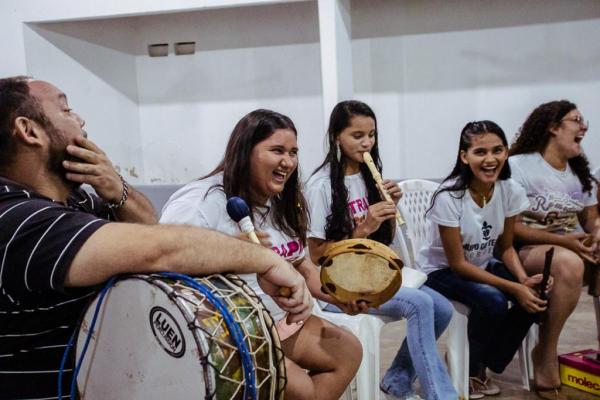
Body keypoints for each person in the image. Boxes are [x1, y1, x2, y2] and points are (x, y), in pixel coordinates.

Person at [0, 76, 312, 400]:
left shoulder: (78, 201)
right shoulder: (17, 219)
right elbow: (159, 248)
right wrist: (266, 259)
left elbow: (150, 226)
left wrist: (116, 188)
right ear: (29, 130)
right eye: (66, 109)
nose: (80, 120)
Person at [160, 109, 362, 400]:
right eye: (277, 150)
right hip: (228, 331)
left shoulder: (279, 202)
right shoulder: (201, 201)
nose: (288, 161)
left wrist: (341, 296)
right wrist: (230, 250)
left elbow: (301, 265)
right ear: (245, 152)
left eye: (293, 152)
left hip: (278, 322)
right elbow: (164, 273)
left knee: (349, 351)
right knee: (303, 391)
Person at [305, 100, 456, 400]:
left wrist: (391, 208)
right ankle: (442, 395)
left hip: (370, 273)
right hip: (338, 284)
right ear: (337, 136)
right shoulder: (320, 186)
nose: (366, 143)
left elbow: (382, 241)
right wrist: (362, 230)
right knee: (420, 305)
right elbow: (316, 255)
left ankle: (397, 380)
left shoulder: (368, 176)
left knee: (442, 308)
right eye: (357, 135)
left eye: (371, 135)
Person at [420, 120, 550, 399]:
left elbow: (505, 248)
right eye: (480, 152)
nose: (490, 159)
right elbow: (458, 264)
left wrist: (524, 279)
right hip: (440, 271)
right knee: (493, 300)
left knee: (537, 294)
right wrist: (513, 288)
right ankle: (470, 369)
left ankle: (483, 362)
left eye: (498, 150)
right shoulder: (449, 196)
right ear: (464, 157)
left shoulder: (510, 189)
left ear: (506, 153)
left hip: (479, 264)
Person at [509, 100, 599, 399]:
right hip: (524, 252)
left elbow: (590, 219)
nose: (584, 126)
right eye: (576, 120)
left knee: (577, 259)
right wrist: (565, 241)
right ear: (552, 127)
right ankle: (545, 352)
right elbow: (509, 229)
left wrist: (597, 232)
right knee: (569, 263)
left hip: (566, 250)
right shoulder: (519, 166)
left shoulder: (579, 172)